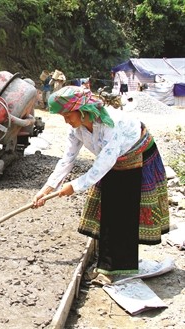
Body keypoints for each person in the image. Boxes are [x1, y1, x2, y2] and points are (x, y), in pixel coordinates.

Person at [32, 86, 169, 285]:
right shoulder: (76, 129)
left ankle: (112, 269)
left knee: (121, 211)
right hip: (113, 159)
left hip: (136, 154)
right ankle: (106, 264)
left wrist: (74, 186)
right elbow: (67, 159)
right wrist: (46, 189)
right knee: (108, 209)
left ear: (82, 111)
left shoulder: (110, 124)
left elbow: (103, 164)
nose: (66, 121)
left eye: (67, 115)